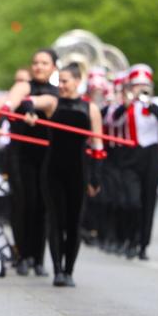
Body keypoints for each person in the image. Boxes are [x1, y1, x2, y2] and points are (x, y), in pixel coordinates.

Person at [24, 63, 104, 287]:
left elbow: (98, 144)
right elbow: (32, 100)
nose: (61, 86)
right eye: (59, 81)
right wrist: (30, 109)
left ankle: (69, 270)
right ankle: (58, 270)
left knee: (73, 221)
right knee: (55, 220)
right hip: (52, 170)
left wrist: (96, 176)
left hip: (79, 170)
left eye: (66, 81)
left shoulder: (91, 109)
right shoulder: (53, 102)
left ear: (78, 81)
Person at [0, 50, 59, 276]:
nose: (39, 66)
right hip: (21, 155)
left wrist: (33, 107)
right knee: (22, 204)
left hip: (47, 155)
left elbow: (50, 104)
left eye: (44, 63)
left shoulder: (57, 92)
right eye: (35, 62)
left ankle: (39, 259)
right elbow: (12, 102)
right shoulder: (24, 86)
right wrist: (10, 110)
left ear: (53, 67)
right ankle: (23, 255)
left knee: (43, 207)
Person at [111, 64, 158, 259]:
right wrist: (127, 103)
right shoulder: (125, 106)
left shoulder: (157, 103)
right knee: (132, 201)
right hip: (130, 155)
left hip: (151, 156)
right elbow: (112, 121)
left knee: (148, 201)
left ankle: (143, 244)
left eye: (144, 85)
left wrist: (149, 103)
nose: (141, 88)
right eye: (137, 85)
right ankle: (129, 239)